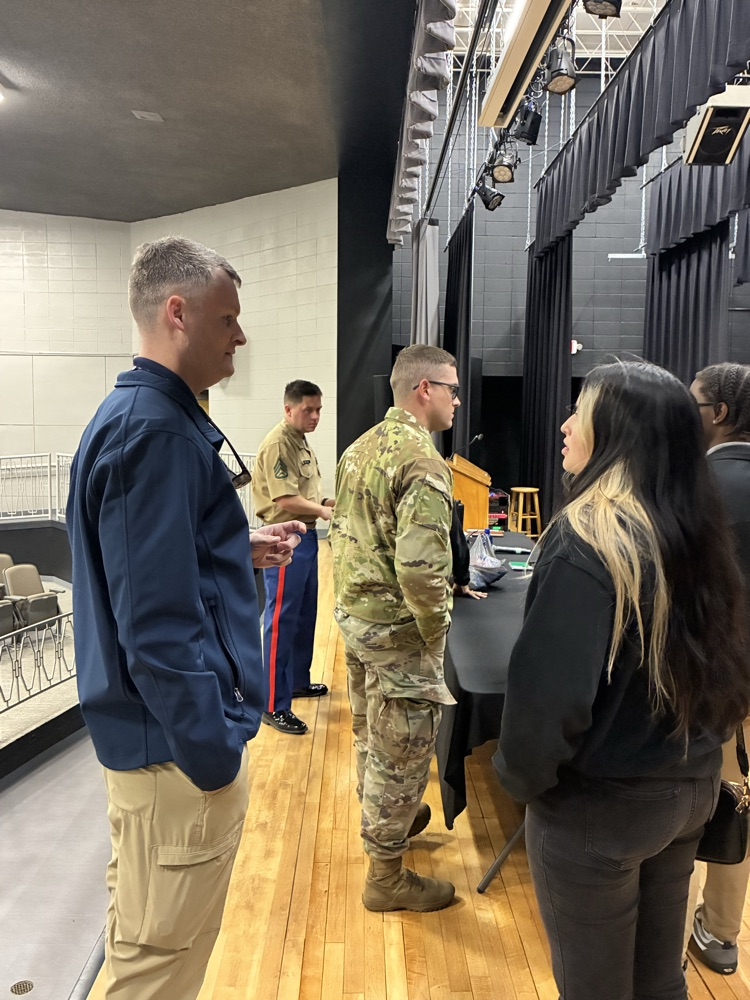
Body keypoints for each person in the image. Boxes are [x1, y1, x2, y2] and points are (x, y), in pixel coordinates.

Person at [67, 236, 304, 1000]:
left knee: (151, 950)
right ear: (177, 313)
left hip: (162, 753)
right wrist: (212, 752)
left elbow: (154, 565)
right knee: (154, 973)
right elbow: (156, 627)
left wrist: (234, 546)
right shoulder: (155, 431)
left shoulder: (146, 416)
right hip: (174, 759)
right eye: (227, 318)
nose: (240, 335)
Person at [494, 360, 750, 1000]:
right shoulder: (698, 531)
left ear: (616, 432)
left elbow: (547, 696)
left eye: (579, 410)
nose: (563, 424)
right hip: (689, 789)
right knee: (659, 980)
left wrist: (527, 785)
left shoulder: (588, 538)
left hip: (602, 804)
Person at [329, 343, 459, 912]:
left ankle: (389, 818)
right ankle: (385, 875)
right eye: (452, 388)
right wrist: (436, 631)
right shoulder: (422, 461)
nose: (458, 400)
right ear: (423, 389)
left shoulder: (360, 448)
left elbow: (344, 535)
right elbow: (422, 570)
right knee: (403, 749)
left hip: (359, 623)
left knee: (370, 735)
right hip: (398, 635)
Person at [686, 362, 750, 976]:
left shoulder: (690, 486)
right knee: (742, 802)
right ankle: (721, 932)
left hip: (710, 681)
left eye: (694, 402)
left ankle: (675, 935)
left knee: (701, 801)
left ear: (720, 414)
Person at [252, 380, 332, 736]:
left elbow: (305, 492)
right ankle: (272, 703)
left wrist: (324, 504)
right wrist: (323, 511)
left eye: (318, 410)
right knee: (281, 621)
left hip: (306, 534)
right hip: (284, 538)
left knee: (304, 616)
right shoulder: (278, 443)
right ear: (288, 409)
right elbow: (285, 500)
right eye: (307, 410)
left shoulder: (300, 441)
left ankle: (297, 681)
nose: (315, 416)